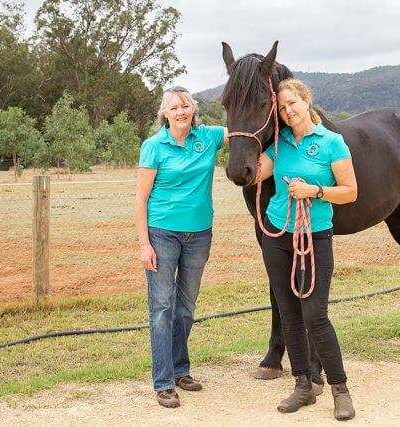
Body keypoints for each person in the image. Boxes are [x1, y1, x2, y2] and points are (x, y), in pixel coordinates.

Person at [256, 78, 358, 421]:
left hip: (315, 237)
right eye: (282, 109)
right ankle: (302, 385)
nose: (288, 112)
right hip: (277, 235)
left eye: (292, 104)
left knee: (315, 314)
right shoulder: (280, 143)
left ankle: (340, 389)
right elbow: (255, 174)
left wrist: (314, 191)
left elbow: (349, 191)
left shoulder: (332, 142)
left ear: (305, 100)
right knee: (289, 314)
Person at [134, 86, 228, 408]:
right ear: (165, 114)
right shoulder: (154, 146)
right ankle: (163, 382)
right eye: (174, 107)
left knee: (186, 308)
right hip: (162, 234)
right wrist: (144, 243)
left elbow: (248, 132)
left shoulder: (209, 137)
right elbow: (141, 198)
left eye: (185, 105)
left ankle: (180, 370)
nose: (181, 111)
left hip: (200, 235)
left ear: (193, 110)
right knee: (162, 309)